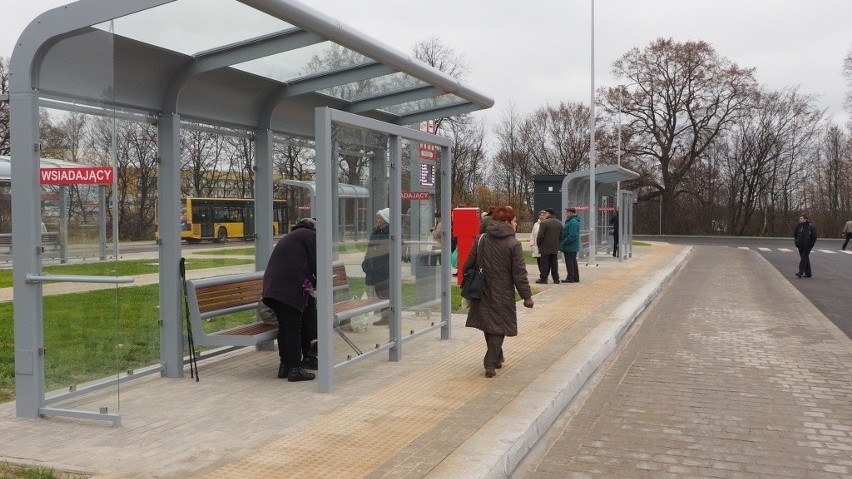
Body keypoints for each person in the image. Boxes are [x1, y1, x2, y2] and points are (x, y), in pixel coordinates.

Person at [463, 205, 534, 378]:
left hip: (482, 289)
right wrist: (527, 296)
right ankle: (490, 362)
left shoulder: (481, 239)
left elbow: (468, 264)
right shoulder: (513, 244)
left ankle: (498, 356)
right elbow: (519, 273)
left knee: (489, 323)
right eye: (515, 221)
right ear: (507, 222)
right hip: (502, 291)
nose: (516, 224)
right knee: (499, 326)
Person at [262, 218, 318, 382]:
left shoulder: (293, 236)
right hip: (288, 288)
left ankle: (285, 366)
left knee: (286, 327)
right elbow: (317, 265)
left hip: (274, 288)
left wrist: (310, 286)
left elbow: (298, 264)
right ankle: (295, 369)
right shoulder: (310, 236)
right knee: (293, 327)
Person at [362, 208, 391, 325]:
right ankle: (386, 317)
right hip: (375, 267)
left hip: (384, 269)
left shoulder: (391, 233)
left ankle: (388, 317)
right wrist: (365, 262)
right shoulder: (375, 232)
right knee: (380, 293)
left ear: (386, 220)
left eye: (379, 218)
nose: (377, 220)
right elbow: (370, 249)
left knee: (385, 293)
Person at [535, 208, 563, 284]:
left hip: (545, 247)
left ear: (549, 214)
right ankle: (556, 279)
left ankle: (544, 279)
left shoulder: (544, 223)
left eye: (546, 213)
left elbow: (540, 236)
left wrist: (539, 244)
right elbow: (561, 236)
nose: (545, 214)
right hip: (554, 247)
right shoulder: (559, 223)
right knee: (554, 263)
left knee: (544, 263)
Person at [560, 207, 581, 283]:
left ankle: (570, 277)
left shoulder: (573, 222)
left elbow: (572, 235)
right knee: (572, 262)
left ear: (571, 213)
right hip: (571, 246)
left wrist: (564, 242)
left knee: (570, 262)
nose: (566, 214)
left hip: (570, 246)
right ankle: (575, 277)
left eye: (567, 212)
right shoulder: (571, 221)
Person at [794, 214, 817, 278]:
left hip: (807, 245)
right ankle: (808, 273)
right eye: (800, 218)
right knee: (805, 258)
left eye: (801, 218)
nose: (800, 219)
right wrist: (796, 242)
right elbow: (795, 235)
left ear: (805, 219)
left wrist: (811, 244)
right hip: (800, 245)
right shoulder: (798, 226)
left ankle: (800, 272)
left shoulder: (810, 226)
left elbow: (814, 236)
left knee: (803, 258)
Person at [529, 210, 546, 275]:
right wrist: (532, 244)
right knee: (539, 261)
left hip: (544, 247)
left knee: (544, 262)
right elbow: (532, 235)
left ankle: (544, 275)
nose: (541, 216)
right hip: (536, 246)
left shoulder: (547, 224)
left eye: (543, 215)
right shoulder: (536, 224)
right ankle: (542, 274)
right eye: (540, 215)